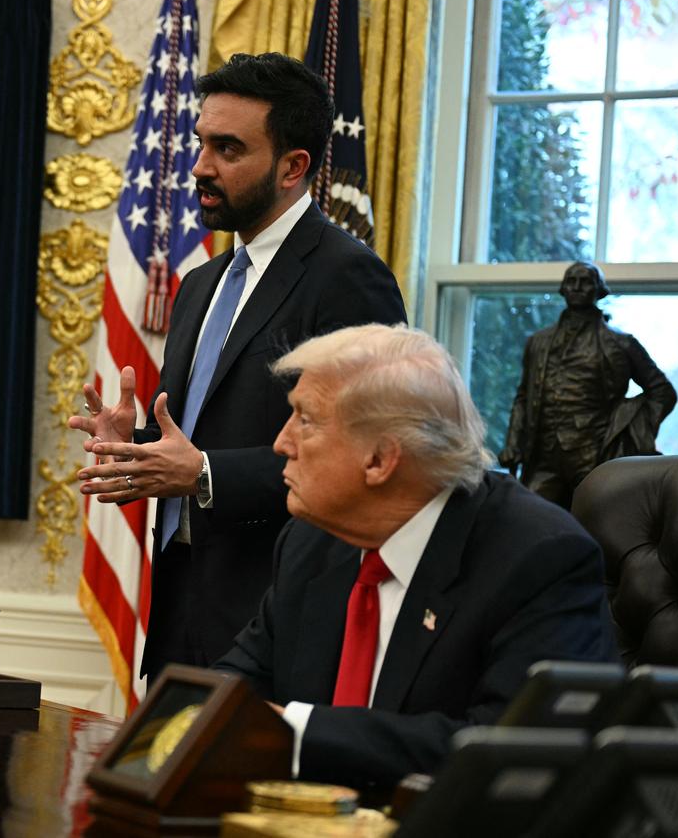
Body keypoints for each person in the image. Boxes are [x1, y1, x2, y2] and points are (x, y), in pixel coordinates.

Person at [70, 52, 407, 682]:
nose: (200, 167)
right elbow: (201, 441)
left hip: (280, 620)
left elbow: (362, 459)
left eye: (228, 149)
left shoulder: (348, 277)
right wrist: (136, 449)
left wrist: (201, 474)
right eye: (202, 143)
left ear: (293, 167)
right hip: (178, 609)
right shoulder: (199, 284)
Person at [214, 324, 617, 791]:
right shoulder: (309, 543)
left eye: (305, 420)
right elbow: (237, 682)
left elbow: (515, 749)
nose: (282, 443)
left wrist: (297, 731)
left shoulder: (537, 558)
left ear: (380, 461)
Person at [500, 261, 677, 509]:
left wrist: (632, 430)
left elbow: (662, 392)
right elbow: (523, 397)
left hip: (594, 456)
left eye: (585, 282)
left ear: (599, 289)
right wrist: (512, 442)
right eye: (571, 281)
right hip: (544, 457)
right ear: (562, 288)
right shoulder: (538, 342)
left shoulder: (620, 343)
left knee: (597, 528)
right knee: (530, 522)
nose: (577, 287)